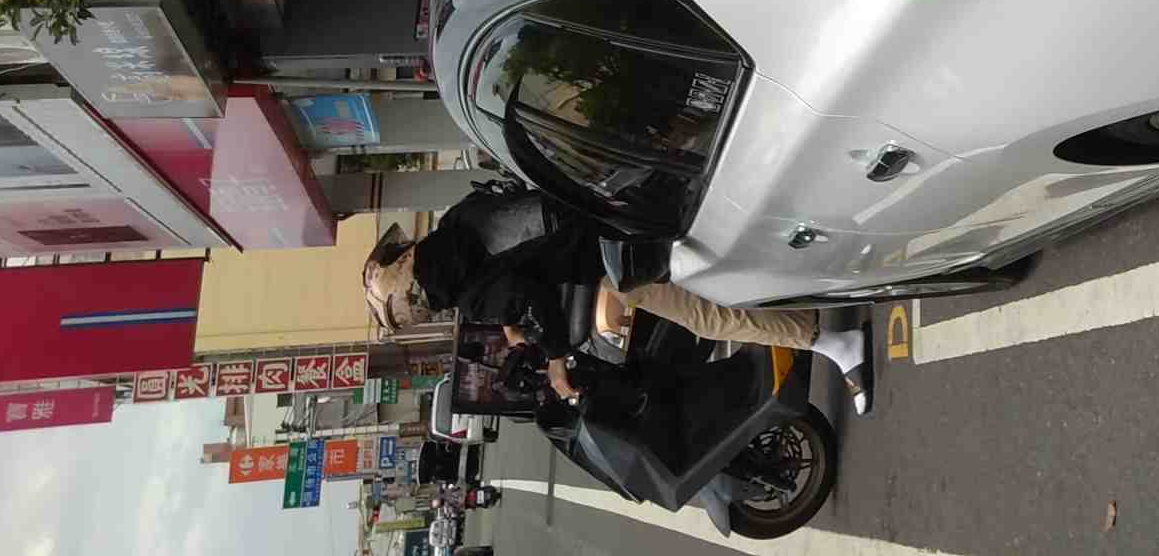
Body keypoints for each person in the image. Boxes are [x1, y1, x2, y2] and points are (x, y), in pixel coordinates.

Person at [362, 184, 871, 412]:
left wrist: (556, 361)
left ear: (413, 301)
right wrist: (511, 322)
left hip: (604, 257)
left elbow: (534, 295)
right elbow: (510, 259)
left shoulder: (472, 299)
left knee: (708, 318)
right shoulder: (455, 223)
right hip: (595, 202)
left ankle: (835, 342)